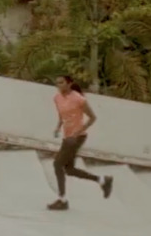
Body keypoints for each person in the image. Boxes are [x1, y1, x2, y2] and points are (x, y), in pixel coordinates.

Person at [47, 75, 113, 210]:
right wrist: (58, 127)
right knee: (69, 170)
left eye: (61, 82)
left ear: (69, 84)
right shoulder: (57, 98)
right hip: (67, 137)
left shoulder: (78, 99)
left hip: (77, 138)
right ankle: (102, 180)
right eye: (57, 83)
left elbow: (92, 118)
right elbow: (61, 115)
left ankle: (62, 200)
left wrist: (76, 134)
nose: (58, 85)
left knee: (57, 164)